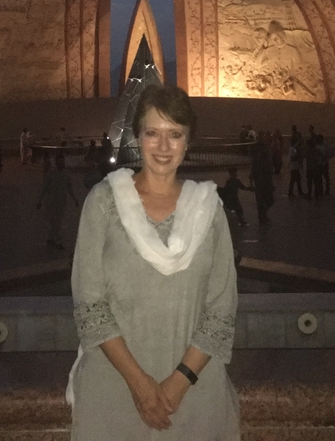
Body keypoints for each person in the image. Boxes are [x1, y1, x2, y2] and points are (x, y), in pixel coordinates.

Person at [68, 85, 239, 439]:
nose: (163, 147)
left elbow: (221, 309)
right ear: (137, 137)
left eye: (174, 134)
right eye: (153, 133)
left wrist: (179, 382)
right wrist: (140, 384)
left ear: (188, 141)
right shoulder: (103, 202)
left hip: (194, 395)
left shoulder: (209, 210)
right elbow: (89, 305)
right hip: (114, 392)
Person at [38, 153, 80, 250]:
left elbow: (69, 188)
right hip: (52, 201)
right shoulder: (52, 174)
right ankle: (56, 239)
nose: (62, 164)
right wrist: (40, 200)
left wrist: (74, 199)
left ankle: (51, 237)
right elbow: (45, 187)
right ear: (57, 163)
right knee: (55, 221)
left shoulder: (64, 174)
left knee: (56, 221)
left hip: (60, 202)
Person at [250, 137, 275, 224]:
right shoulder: (260, 159)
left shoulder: (260, 159)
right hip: (262, 183)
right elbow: (253, 172)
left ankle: (263, 216)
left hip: (263, 182)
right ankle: (262, 216)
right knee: (264, 201)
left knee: (267, 200)